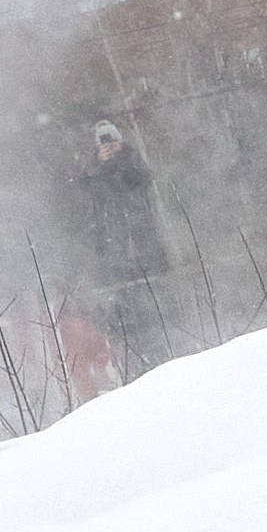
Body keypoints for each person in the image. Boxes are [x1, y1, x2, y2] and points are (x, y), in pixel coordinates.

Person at [78, 121, 172, 376]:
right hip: (114, 258)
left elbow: (142, 180)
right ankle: (135, 369)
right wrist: (99, 166)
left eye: (112, 141)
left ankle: (164, 358)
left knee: (157, 313)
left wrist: (123, 158)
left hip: (145, 250)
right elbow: (88, 196)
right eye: (103, 143)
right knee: (125, 320)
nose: (108, 146)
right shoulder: (91, 174)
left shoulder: (133, 163)